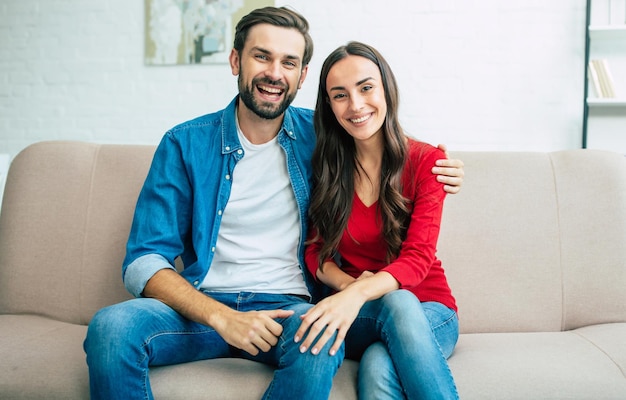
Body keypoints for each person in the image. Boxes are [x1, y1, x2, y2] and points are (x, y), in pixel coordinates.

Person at [83, 7, 464, 400]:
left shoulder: (319, 136)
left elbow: (373, 131)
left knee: (320, 343)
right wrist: (221, 317)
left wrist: (438, 165)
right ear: (236, 60)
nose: (274, 73)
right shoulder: (184, 143)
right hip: (201, 308)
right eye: (261, 56)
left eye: (289, 62)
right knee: (112, 329)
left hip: (289, 310)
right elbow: (143, 261)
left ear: (302, 76)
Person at [294, 41, 460, 400]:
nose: (355, 105)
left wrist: (357, 292)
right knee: (393, 308)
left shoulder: (426, 162)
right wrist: (348, 292)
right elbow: (315, 252)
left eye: (366, 87)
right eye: (340, 95)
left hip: (429, 308)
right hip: (361, 313)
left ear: (386, 87)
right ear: (329, 106)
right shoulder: (328, 167)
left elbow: (418, 260)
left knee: (378, 361)